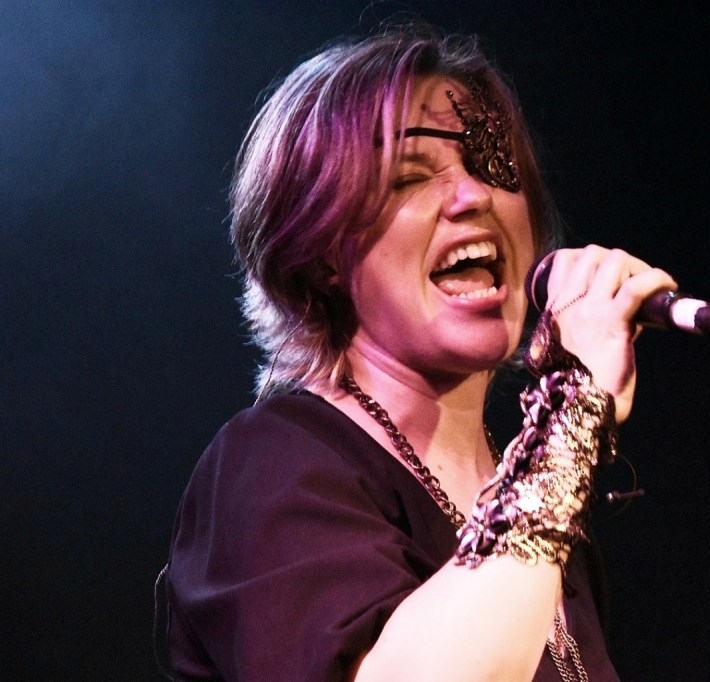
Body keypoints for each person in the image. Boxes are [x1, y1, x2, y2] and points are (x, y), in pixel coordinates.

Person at [163, 22, 676, 682]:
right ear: (321, 253)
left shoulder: (547, 515)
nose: (473, 196)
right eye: (409, 178)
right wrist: (572, 418)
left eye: (492, 165)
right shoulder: (270, 466)